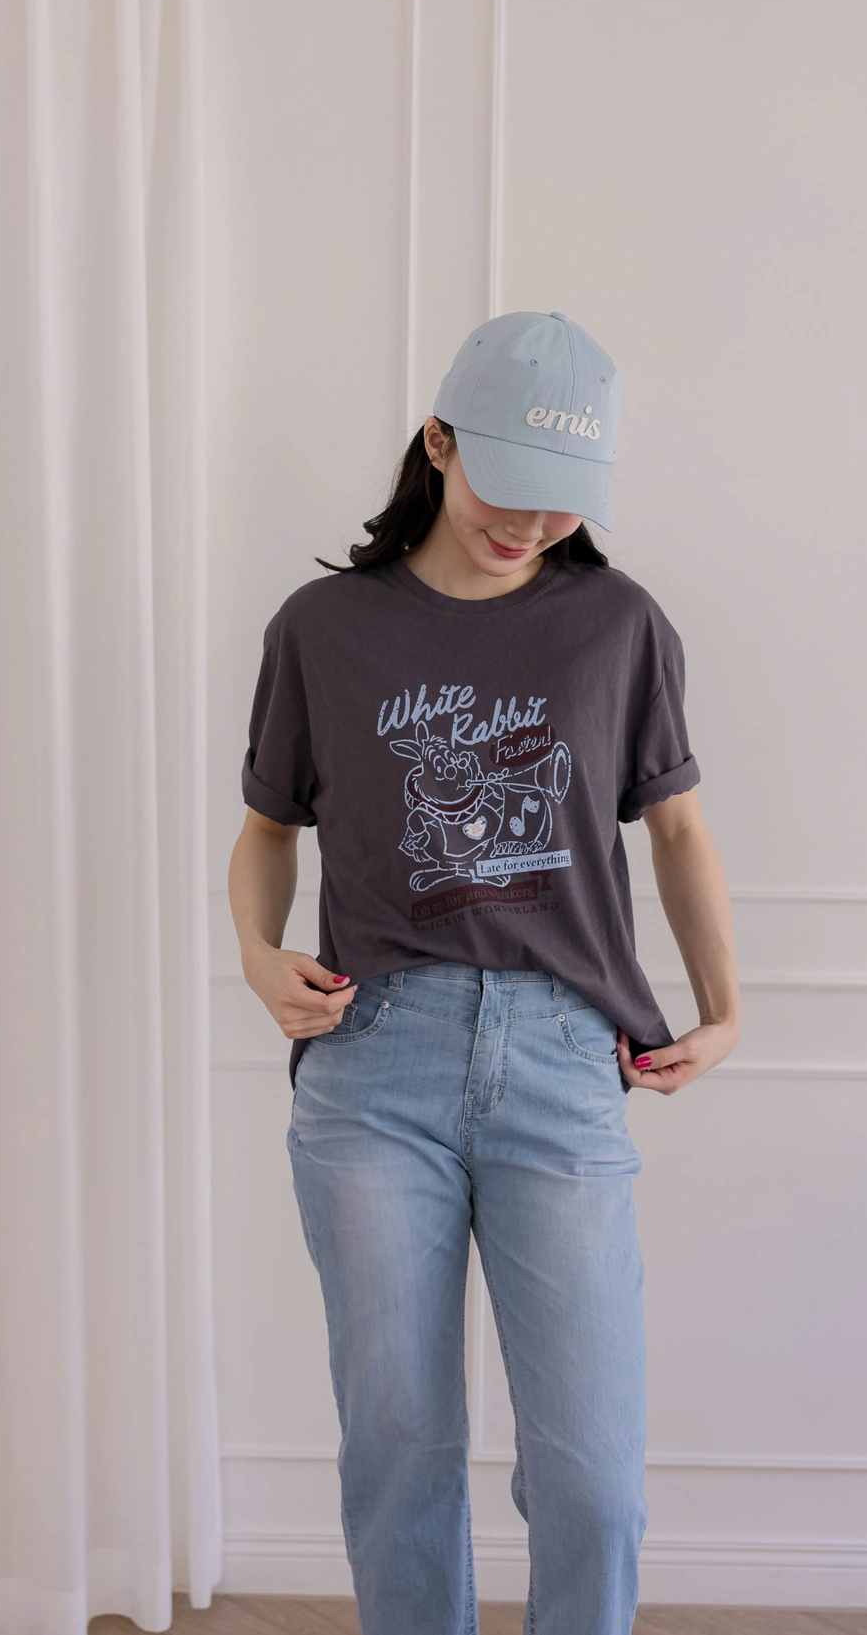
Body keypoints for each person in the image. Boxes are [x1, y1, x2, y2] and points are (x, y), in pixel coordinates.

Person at [228, 310, 741, 1635]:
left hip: (564, 1062)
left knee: (593, 1482)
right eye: (509, 484)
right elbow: (268, 831)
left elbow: (678, 829)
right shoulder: (322, 628)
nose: (531, 524)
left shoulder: (619, 624)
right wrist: (256, 957)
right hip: (371, 1066)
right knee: (398, 1452)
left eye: (564, 500)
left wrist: (726, 1010)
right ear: (439, 443)